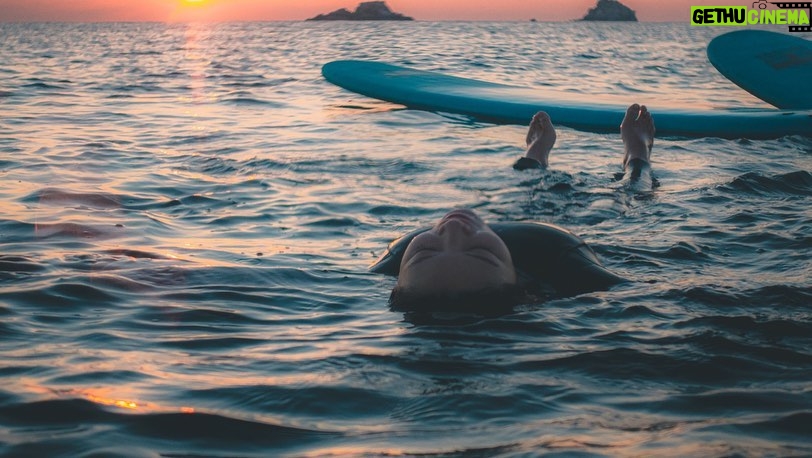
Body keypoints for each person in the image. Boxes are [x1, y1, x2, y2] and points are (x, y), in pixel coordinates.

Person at [379, 104, 656, 312]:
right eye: (479, 251)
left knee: (521, 188)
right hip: (583, 223)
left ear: (396, 283)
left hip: (508, 216)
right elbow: (635, 291)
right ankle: (637, 151)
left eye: (426, 251)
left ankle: (535, 153)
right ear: (524, 288)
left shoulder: (397, 258)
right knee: (626, 196)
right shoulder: (566, 260)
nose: (452, 228)